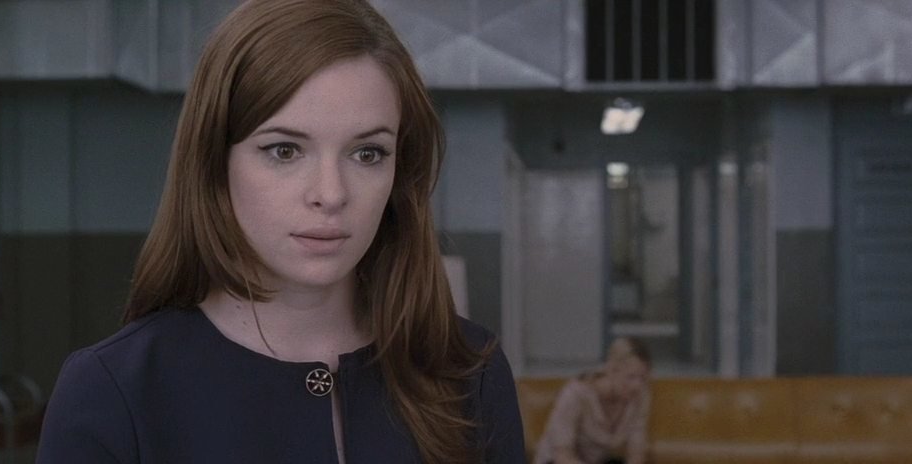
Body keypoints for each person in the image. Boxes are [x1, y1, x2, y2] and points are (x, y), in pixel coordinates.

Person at [35, 0, 525, 462]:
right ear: (214, 161)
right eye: (285, 151)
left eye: (367, 153)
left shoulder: (469, 374)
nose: (331, 194)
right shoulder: (112, 391)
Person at [533, 338, 652, 464]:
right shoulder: (575, 393)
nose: (637, 385)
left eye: (643, 378)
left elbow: (636, 451)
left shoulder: (639, 396)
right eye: (631, 377)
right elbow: (562, 456)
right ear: (611, 370)